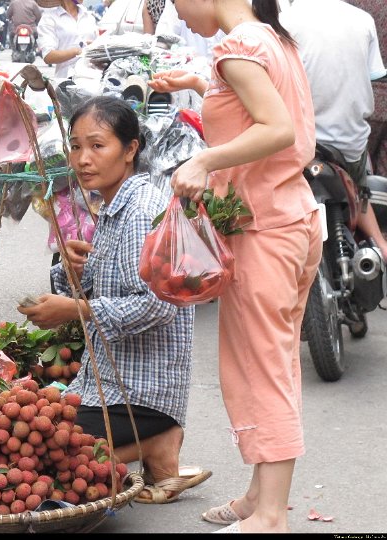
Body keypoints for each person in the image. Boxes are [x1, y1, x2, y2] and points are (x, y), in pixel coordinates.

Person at [148, 0, 322, 533]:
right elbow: (258, 113)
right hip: (293, 217)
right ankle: (260, 495)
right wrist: (204, 88)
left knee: (260, 372)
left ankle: (270, 518)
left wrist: (202, 160)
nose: (176, 10)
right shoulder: (271, 38)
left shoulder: (236, 47)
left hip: (264, 231)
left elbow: (277, 129)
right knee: (276, 365)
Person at [18, 96, 210, 504]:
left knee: (45, 469)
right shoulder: (113, 207)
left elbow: (157, 305)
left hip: (140, 393)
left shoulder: (140, 210)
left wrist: (76, 309)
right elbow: (115, 285)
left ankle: (156, 443)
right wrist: (75, 274)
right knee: (31, 448)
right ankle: (154, 449)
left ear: (131, 149)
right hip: (107, 383)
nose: (83, 158)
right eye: (75, 146)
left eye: (97, 145)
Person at [281, 0, 387, 257]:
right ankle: (381, 248)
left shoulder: (284, 22)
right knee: (360, 188)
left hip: (303, 147)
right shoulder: (363, 20)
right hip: (350, 144)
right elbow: (372, 77)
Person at [37, 0, 98, 79]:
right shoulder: (50, 18)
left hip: (93, 79)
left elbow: (97, 45)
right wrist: (76, 51)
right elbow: (48, 56)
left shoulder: (88, 16)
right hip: (66, 81)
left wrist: (95, 47)